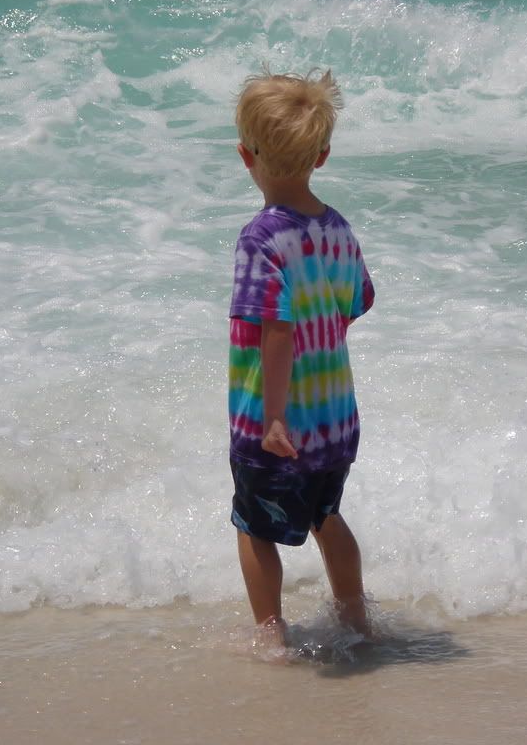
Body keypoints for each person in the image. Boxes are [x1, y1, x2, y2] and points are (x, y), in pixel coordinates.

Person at [227, 68, 375, 647]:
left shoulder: (261, 238)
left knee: (254, 526)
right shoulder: (337, 229)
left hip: (276, 423)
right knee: (326, 517)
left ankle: (271, 637)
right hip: (333, 420)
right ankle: (356, 620)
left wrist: (274, 417)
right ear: (323, 156)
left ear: (246, 156)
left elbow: (277, 330)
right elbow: (358, 301)